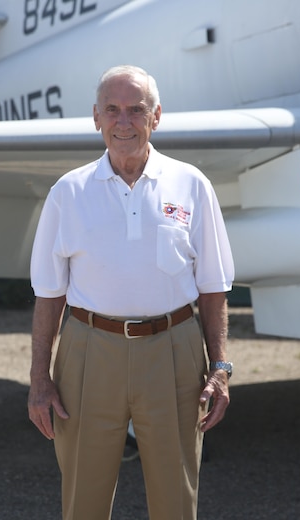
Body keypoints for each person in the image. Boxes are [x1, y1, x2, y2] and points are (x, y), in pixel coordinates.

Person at [27, 65, 235, 520]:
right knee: (84, 495)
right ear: (96, 117)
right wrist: (39, 379)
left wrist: (220, 368)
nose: (124, 121)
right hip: (87, 351)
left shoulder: (192, 185)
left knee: (176, 498)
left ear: (156, 116)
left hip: (174, 351)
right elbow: (48, 294)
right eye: (113, 110)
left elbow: (214, 287)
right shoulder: (69, 192)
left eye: (136, 110)